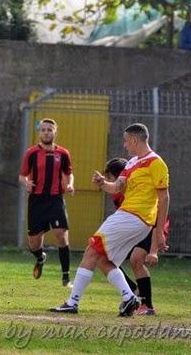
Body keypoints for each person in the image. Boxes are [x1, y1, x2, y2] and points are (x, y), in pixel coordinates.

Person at [51, 123, 169, 316]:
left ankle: (73, 302)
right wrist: (103, 183)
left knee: (91, 249)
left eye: (125, 141)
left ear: (134, 140)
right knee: (103, 259)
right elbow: (116, 187)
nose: (124, 146)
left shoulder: (156, 163)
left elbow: (164, 199)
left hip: (133, 217)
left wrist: (159, 236)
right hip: (133, 219)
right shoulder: (131, 163)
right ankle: (129, 298)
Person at [104, 157, 170, 316]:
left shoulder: (141, 190)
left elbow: (155, 221)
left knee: (136, 258)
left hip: (154, 226)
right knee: (107, 257)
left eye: (110, 179)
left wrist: (154, 250)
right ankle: (133, 290)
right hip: (137, 228)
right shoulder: (120, 195)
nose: (110, 183)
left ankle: (147, 305)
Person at [19, 119, 74, 287]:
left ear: (55, 132)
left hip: (55, 199)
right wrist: (26, 183)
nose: (46, 132)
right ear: (39, 133)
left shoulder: (63, 153)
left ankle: (66, 277)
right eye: (43, 130)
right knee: (34, 243)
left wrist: (70, 184)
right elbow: (22, 176)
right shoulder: (31, 153)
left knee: (61, 235)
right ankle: (40, 257)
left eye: (49, 129)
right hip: (36, 201)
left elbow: (68, 173)